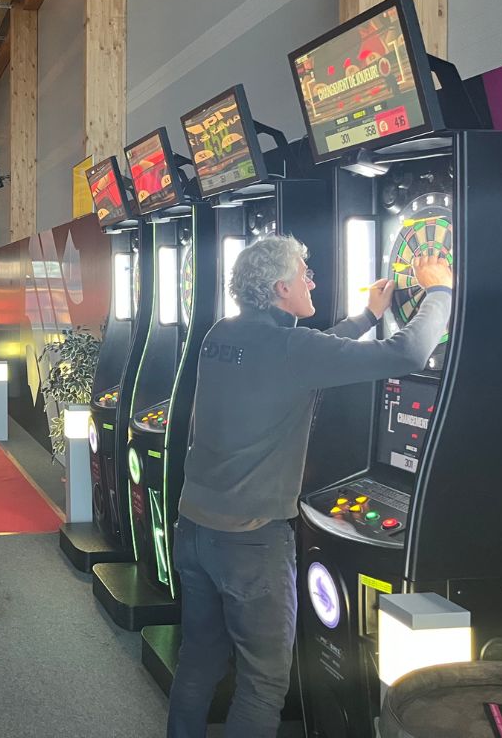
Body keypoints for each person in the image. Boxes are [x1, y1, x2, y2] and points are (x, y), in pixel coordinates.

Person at [165, 235, 453, 738]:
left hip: (193, 529)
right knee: (263, 683)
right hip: (251, 541)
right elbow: (408, 352)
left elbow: (310, 355)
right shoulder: (292, 348)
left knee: (199, 660)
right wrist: (441, 291)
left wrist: (367, 317)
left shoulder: (221, 334)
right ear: (282, 288)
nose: (312, 283)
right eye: (305, 275)